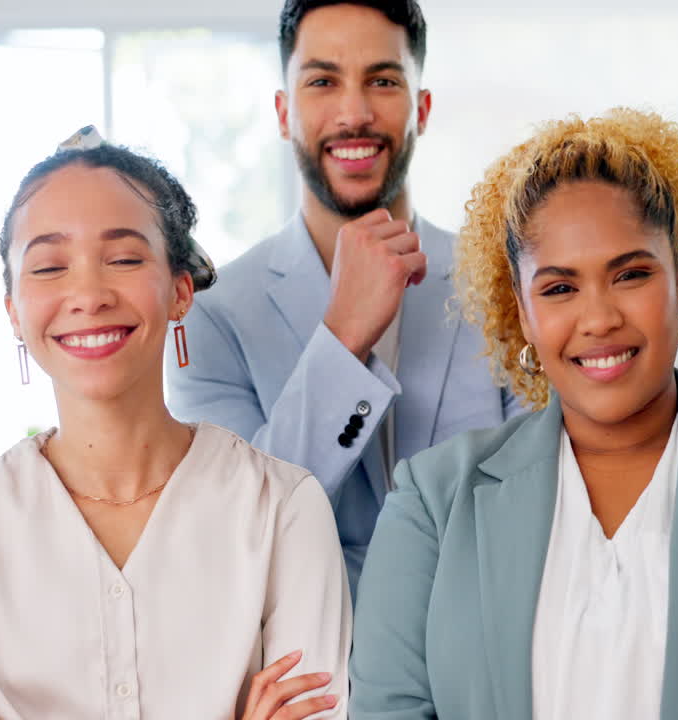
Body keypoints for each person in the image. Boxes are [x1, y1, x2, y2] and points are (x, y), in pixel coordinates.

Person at [348, 108, 678, 719]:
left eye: (630, 275)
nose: (600, 318)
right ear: (523, 313)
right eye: (559, 288)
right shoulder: (432, 500)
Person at [0, 136, 350, 718]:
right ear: (14, 310)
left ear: (180, 291)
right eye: (48, 266)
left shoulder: (284, 510)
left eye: (123, 259)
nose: (87, 295)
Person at [166, 0, 520, 593]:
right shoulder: (210, 317)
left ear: (421, 109)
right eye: (322, 82)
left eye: (383, 81)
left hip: (485, 666)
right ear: (283, 112)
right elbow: (236, 531)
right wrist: (342, 338)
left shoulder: (503, 284)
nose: (354, 114)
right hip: (311, 677)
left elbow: (539, 502)